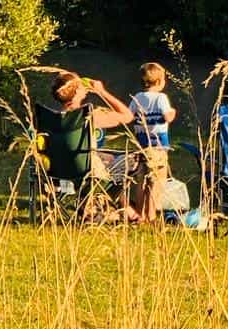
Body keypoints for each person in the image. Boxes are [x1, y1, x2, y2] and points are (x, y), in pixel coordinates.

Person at [48, 70, 137, 221]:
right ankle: (122, 210)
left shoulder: (52, 118)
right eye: (81, 85)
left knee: (106, 158)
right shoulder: (89, 116)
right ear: (76, 92)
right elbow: (128, 116)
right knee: (135, 160)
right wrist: (102, 92)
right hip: (89, 174)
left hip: (59, 175)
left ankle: (115, 210)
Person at [126, 62, 178, 221]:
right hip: (158, 146)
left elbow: (128, 116)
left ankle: (140, 213)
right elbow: (168, 117)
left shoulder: (137, 98)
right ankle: (151, 214)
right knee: (157, 180)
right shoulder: (161, 98)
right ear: (159, 81)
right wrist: (173, 112)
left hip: (141, 145)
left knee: (141, 180)